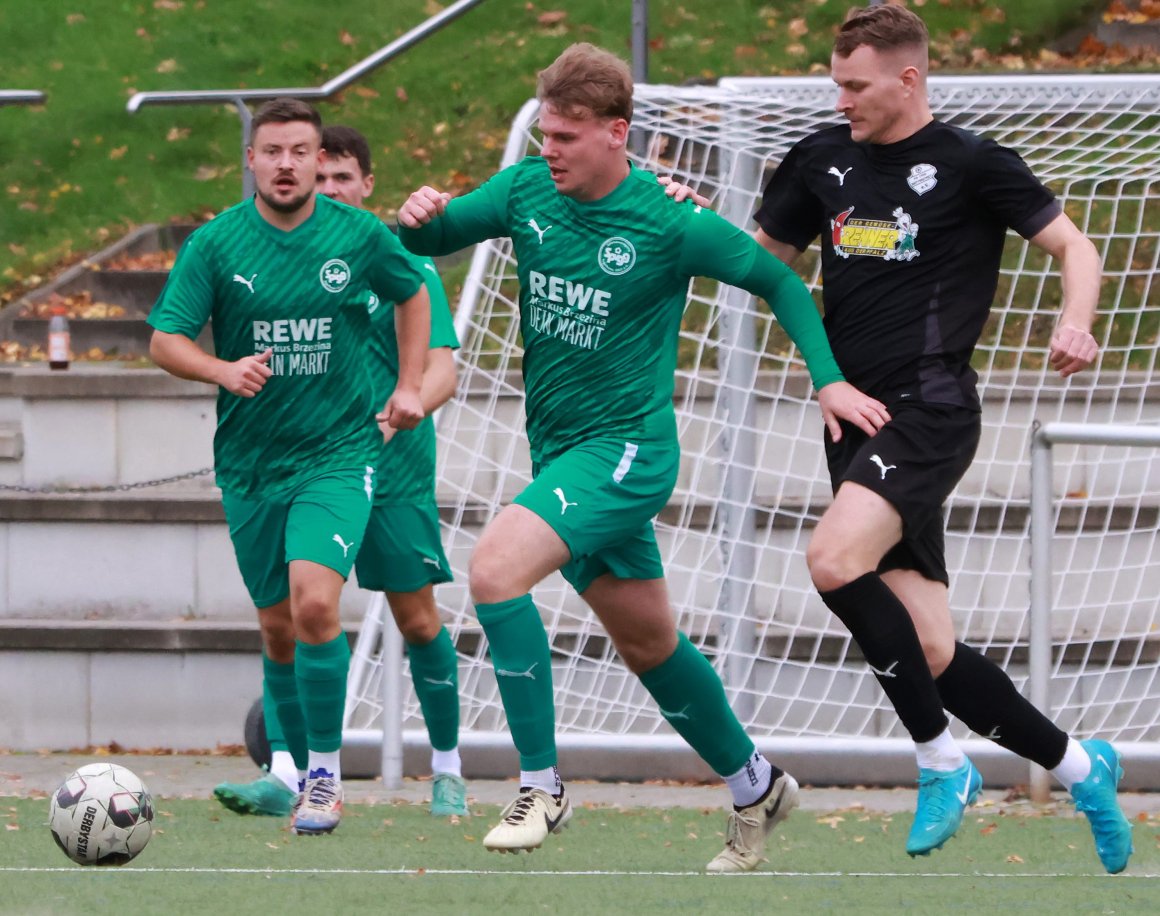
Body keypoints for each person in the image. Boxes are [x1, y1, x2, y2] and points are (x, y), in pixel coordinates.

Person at [397, 42, 889, 873]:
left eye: (565, 135)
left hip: (627, 454)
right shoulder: (525, 192)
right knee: (651, 643)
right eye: (544, 131)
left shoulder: (670, 221)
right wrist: (419, 216)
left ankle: (542, 786)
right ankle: (756, 784)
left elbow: (779, 283)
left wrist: (829, 381)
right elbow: (437, 236)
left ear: (617, 133)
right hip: (560, 451)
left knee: (492, 572)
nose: (547, 147)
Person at [747, 4, 1132, 872]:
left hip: (928, 411)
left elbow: (1075, 247)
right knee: (927, 647)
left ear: (907, 78)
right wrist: (687, 223)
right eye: (834, 83)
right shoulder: (820, 159)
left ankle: (940, 763)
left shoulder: (969, 163)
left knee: (833, 560)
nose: (840, 99)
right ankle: (1082, 767)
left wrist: (1078, 322)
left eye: (855, 85)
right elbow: (759, 262)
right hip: (851, 418)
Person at [148, 98, 432, 836]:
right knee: (277, 624)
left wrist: (407, 384)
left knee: (314, 606)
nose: (285, 164)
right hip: (250, 463)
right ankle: (288, 765)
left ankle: (325, 780)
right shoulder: (216, 245)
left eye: (299, 152)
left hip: (338, 455)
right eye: (272, 151)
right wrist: (221, 368)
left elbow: (413, 294)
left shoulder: (360, 234)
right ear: (253, 160)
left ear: (315, 159)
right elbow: (163, 340)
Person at [211, 125, 467, 820]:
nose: (327, 190)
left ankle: (446, 769)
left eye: (341, 179)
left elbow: (442, 365)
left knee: (416, 619)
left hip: (394, 464)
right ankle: (291, 774)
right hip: (308, 463)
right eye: (318, 179)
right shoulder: (288, 251)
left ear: (367, 185)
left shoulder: (391, 256)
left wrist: (402, 407)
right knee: (290, 616)